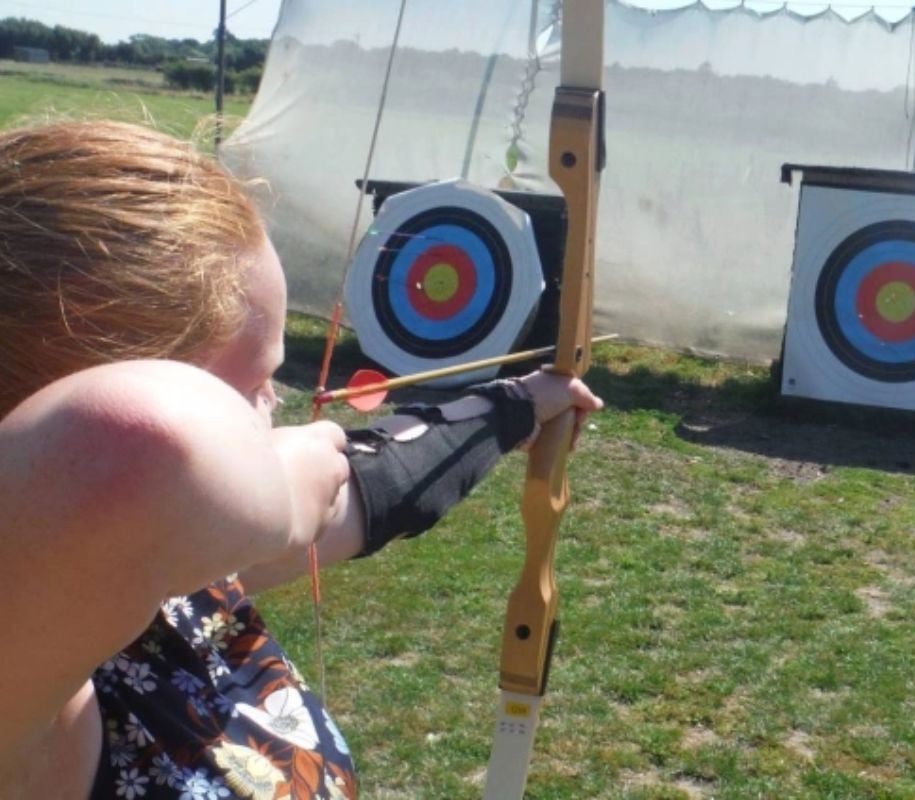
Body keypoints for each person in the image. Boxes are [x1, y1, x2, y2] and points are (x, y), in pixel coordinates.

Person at [0, 120, 603, 800]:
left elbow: (381, 487)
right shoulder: (23, 691)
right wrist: (290, 491)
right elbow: (131, 448)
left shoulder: (173, 583)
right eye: (255, 384)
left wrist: (517, 404)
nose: (275, 407)